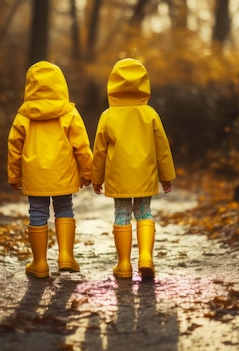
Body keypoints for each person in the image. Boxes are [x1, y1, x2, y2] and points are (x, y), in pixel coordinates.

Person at [91, 58, 176, 279]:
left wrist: (96, 178)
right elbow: (162, 148)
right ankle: (146, 258)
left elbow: (99, 150)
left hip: (119, 177)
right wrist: (166, 176)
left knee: (121, 215)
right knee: (144, 213)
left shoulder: (108, 116)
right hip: (144, 176)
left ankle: (124, 265)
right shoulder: (150, 114)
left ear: (113, 85)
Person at [8, 61, 93, 278]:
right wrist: (88, 172)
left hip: (35, 175)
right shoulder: (69, 113)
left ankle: (40, 263)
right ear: (60, 85)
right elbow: (81, 145)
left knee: (37, 212)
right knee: (64, 208)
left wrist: (14, 175)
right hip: (63, 173)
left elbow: (14, 147)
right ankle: (66, 257)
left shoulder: (23, 116)